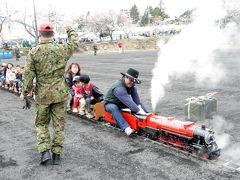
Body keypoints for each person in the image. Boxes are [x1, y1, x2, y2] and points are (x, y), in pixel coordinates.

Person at [20, 22, 79, 165]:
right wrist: (70, 28)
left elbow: (28, 74)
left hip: (43, 95)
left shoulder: (34, 51)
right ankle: (57, 154)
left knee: (41, 124)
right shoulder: (62, 49)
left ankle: (44, 151)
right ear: (53, 34)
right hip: (60, 94)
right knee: (59, 126)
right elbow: (74, 43)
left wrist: (25, 92)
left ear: (39, 34)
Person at [104, 68, 148, 136]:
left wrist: (146, 114)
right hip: (110, 103)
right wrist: (138, 110)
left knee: (141, 110)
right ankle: (126, 128)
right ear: (125, 77)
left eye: (134, 81)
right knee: (113, 108)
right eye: (131, 80)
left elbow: (137, 102)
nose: (132, 83)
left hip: (122, 103)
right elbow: (128, 101)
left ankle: (147, 121)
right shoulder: (118, 88)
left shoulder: (132, 87)